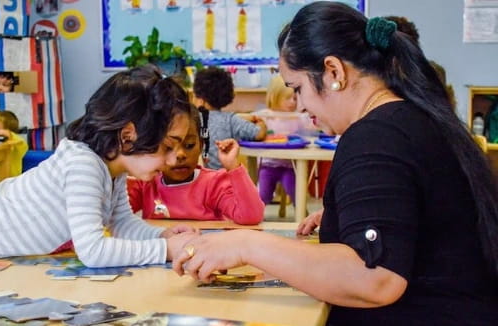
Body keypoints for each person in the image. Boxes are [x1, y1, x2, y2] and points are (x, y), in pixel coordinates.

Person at [172, 2, 498, 325]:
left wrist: (247, 244)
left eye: (297, 88)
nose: (299, 106)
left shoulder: (375, 135)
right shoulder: (410, 118)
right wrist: (345, 215)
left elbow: (376, 279)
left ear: (333, 72)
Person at [0, 64, 199, 267]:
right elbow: (93, 250)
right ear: (128, 136)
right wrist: (166, 250)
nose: (172, 160)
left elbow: (121, 224)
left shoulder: (114, 167)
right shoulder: (83, 165)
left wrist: (162, 237)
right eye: (168, 147)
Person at [126, 105, 264, 224]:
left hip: (205, 252)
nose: (180, 154)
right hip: (161, 253)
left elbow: (251, 217)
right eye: (168, 147)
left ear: (201, 145)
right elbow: (110, 214)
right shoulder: (146, 183)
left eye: (189, 145)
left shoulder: (214, 184)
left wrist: (234, 167)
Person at [193, 66, 267, 169]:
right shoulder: (230, 120)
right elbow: (259, 133)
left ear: (201, 100)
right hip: (223, 178)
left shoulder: (192, 119)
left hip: (198, 177)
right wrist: (261, 122)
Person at [254, 75, 298, 204]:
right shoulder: (265, 116)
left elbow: (307, 131)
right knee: (263, 195)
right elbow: (253, 129)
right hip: (267, 165)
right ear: (275, 96)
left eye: (295, 98)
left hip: (289, 166)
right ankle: (257, 217)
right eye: (288, 98)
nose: (292, 102)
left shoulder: (295, 118)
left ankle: (303, 216)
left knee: (296, 193)